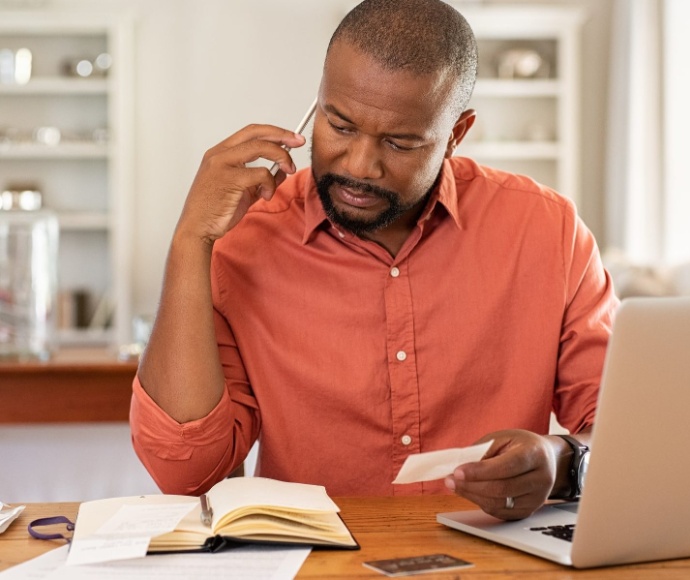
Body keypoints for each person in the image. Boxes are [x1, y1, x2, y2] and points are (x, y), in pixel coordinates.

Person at [130, 0, 618, 521]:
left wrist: (563, 460)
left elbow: (632, 431)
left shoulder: (548, 231)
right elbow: (185, 474)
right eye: (339, 126)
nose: (359, 166)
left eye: (400, 142)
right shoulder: (244, 239)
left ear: (456, 134)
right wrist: (190, 241)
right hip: (314, 566)